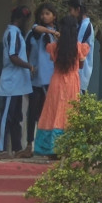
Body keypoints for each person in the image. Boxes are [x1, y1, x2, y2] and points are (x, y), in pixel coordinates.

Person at [33, 14, 88, 157]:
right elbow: (81, 65)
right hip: (72, 82)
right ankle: (71, 148)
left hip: (56, 82)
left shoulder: (54, 47)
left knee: (53, 111)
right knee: (71, 112)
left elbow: (53, 60)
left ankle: (52, 148)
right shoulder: (79, 47)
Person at [0, 6, 34, 157]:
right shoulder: (13, 33)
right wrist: (29, 66)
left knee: (17, 117)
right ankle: (1, 149)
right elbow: (13, 56)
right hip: (11, 82)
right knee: (7, 116)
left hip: (18, 83)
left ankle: (17, 148)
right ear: (20, 19)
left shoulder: (16, 33)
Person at [24, 3, 58, 155]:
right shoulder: (34, 33)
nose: (44, 16)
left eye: (48, 13)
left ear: (54, 16)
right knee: (32, 112)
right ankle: (29, 144)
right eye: (42, 13)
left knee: (49, 113)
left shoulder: (56, 35)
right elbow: (26, 52)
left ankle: (47, 146)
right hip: (35, 79)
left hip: (51, 80)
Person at [68, 0, 95, 93]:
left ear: (78, 9)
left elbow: (76, 45)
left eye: (71, 10)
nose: (70, 13)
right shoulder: (80, 24)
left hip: (81, 70)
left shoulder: (85, 25)